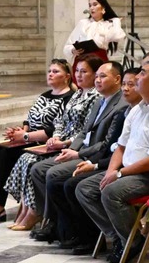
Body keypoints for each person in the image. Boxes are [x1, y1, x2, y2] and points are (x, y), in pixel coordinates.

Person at [79, 59, 149, 261]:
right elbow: (121, 146)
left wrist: (119, 174)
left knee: (111, 192)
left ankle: (132, 241)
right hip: (132, 172)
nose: (137, 77)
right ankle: (121, 238)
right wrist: (111, 172)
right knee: (85, 188)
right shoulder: (138, 109)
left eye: (143, 73)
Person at [34, 61, 129, 249]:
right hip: (83, 150)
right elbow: (84, 132)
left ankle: (76, 231)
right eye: (97, 76)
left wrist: (78, 153)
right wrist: (70, 149)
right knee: (40, 169)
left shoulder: (120, 105)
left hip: (96, 156)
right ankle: (59, 226)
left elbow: (105, 144)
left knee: (56, 176)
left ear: (117, 79)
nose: (98, 80)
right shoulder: (100, 100)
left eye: (103, 76)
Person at [0, 59, 74, 225]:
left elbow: (54, 130)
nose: (50, 74)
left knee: (6, 155)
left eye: (55, 72)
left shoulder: (69, 98)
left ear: (67, 76)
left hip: (45, 142)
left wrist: (25, 136)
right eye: (49, 71)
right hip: (29, 137)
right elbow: (29, 119)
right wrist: (20, 132)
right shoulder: (44, 95)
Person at [10, 58, 99, 231]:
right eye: (77, 71)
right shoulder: (78, 94)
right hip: (61, 142)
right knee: (23, 158)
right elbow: (60, 121)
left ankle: (43, 214)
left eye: (84, 71)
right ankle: (34, 210)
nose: (79, 75)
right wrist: (55, 137)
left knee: (34, 164)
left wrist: (65, 143)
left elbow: (86, 129)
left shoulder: (96, 97)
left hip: (75, 146)